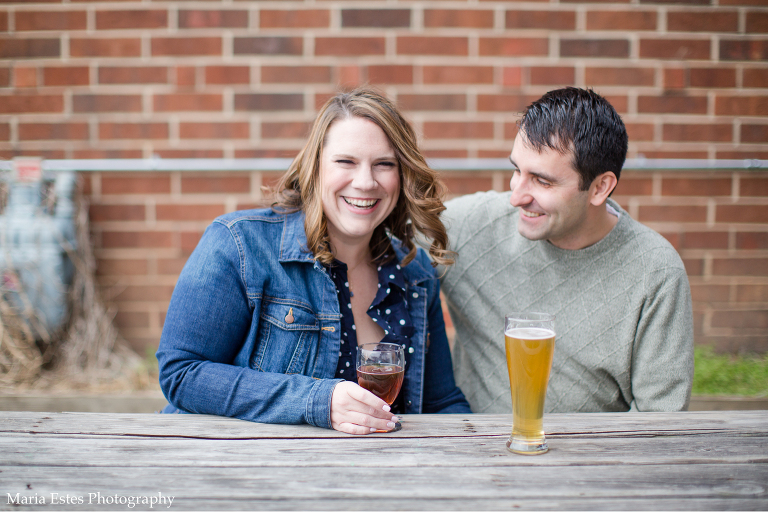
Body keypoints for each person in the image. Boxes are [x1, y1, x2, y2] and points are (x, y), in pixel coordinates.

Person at [156, 87, 471, 435]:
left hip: (374, 477)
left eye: (384, 164)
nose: (366, 182)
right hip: (244, 469)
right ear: (316, 166)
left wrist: (479, 448)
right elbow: (182, 372)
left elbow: (441, 403)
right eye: (345, 162)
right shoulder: (239, 243)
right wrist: (317, 400)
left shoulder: (416, 273)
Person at [441, 87, 694, 414]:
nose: (516, 196)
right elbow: (371, 245)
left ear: (600, 187)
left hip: (592, 459)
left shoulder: (655, 272)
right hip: (471, 451)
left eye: (542, 181)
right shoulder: (469, 226)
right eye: (517, 170)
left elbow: (660, 423)